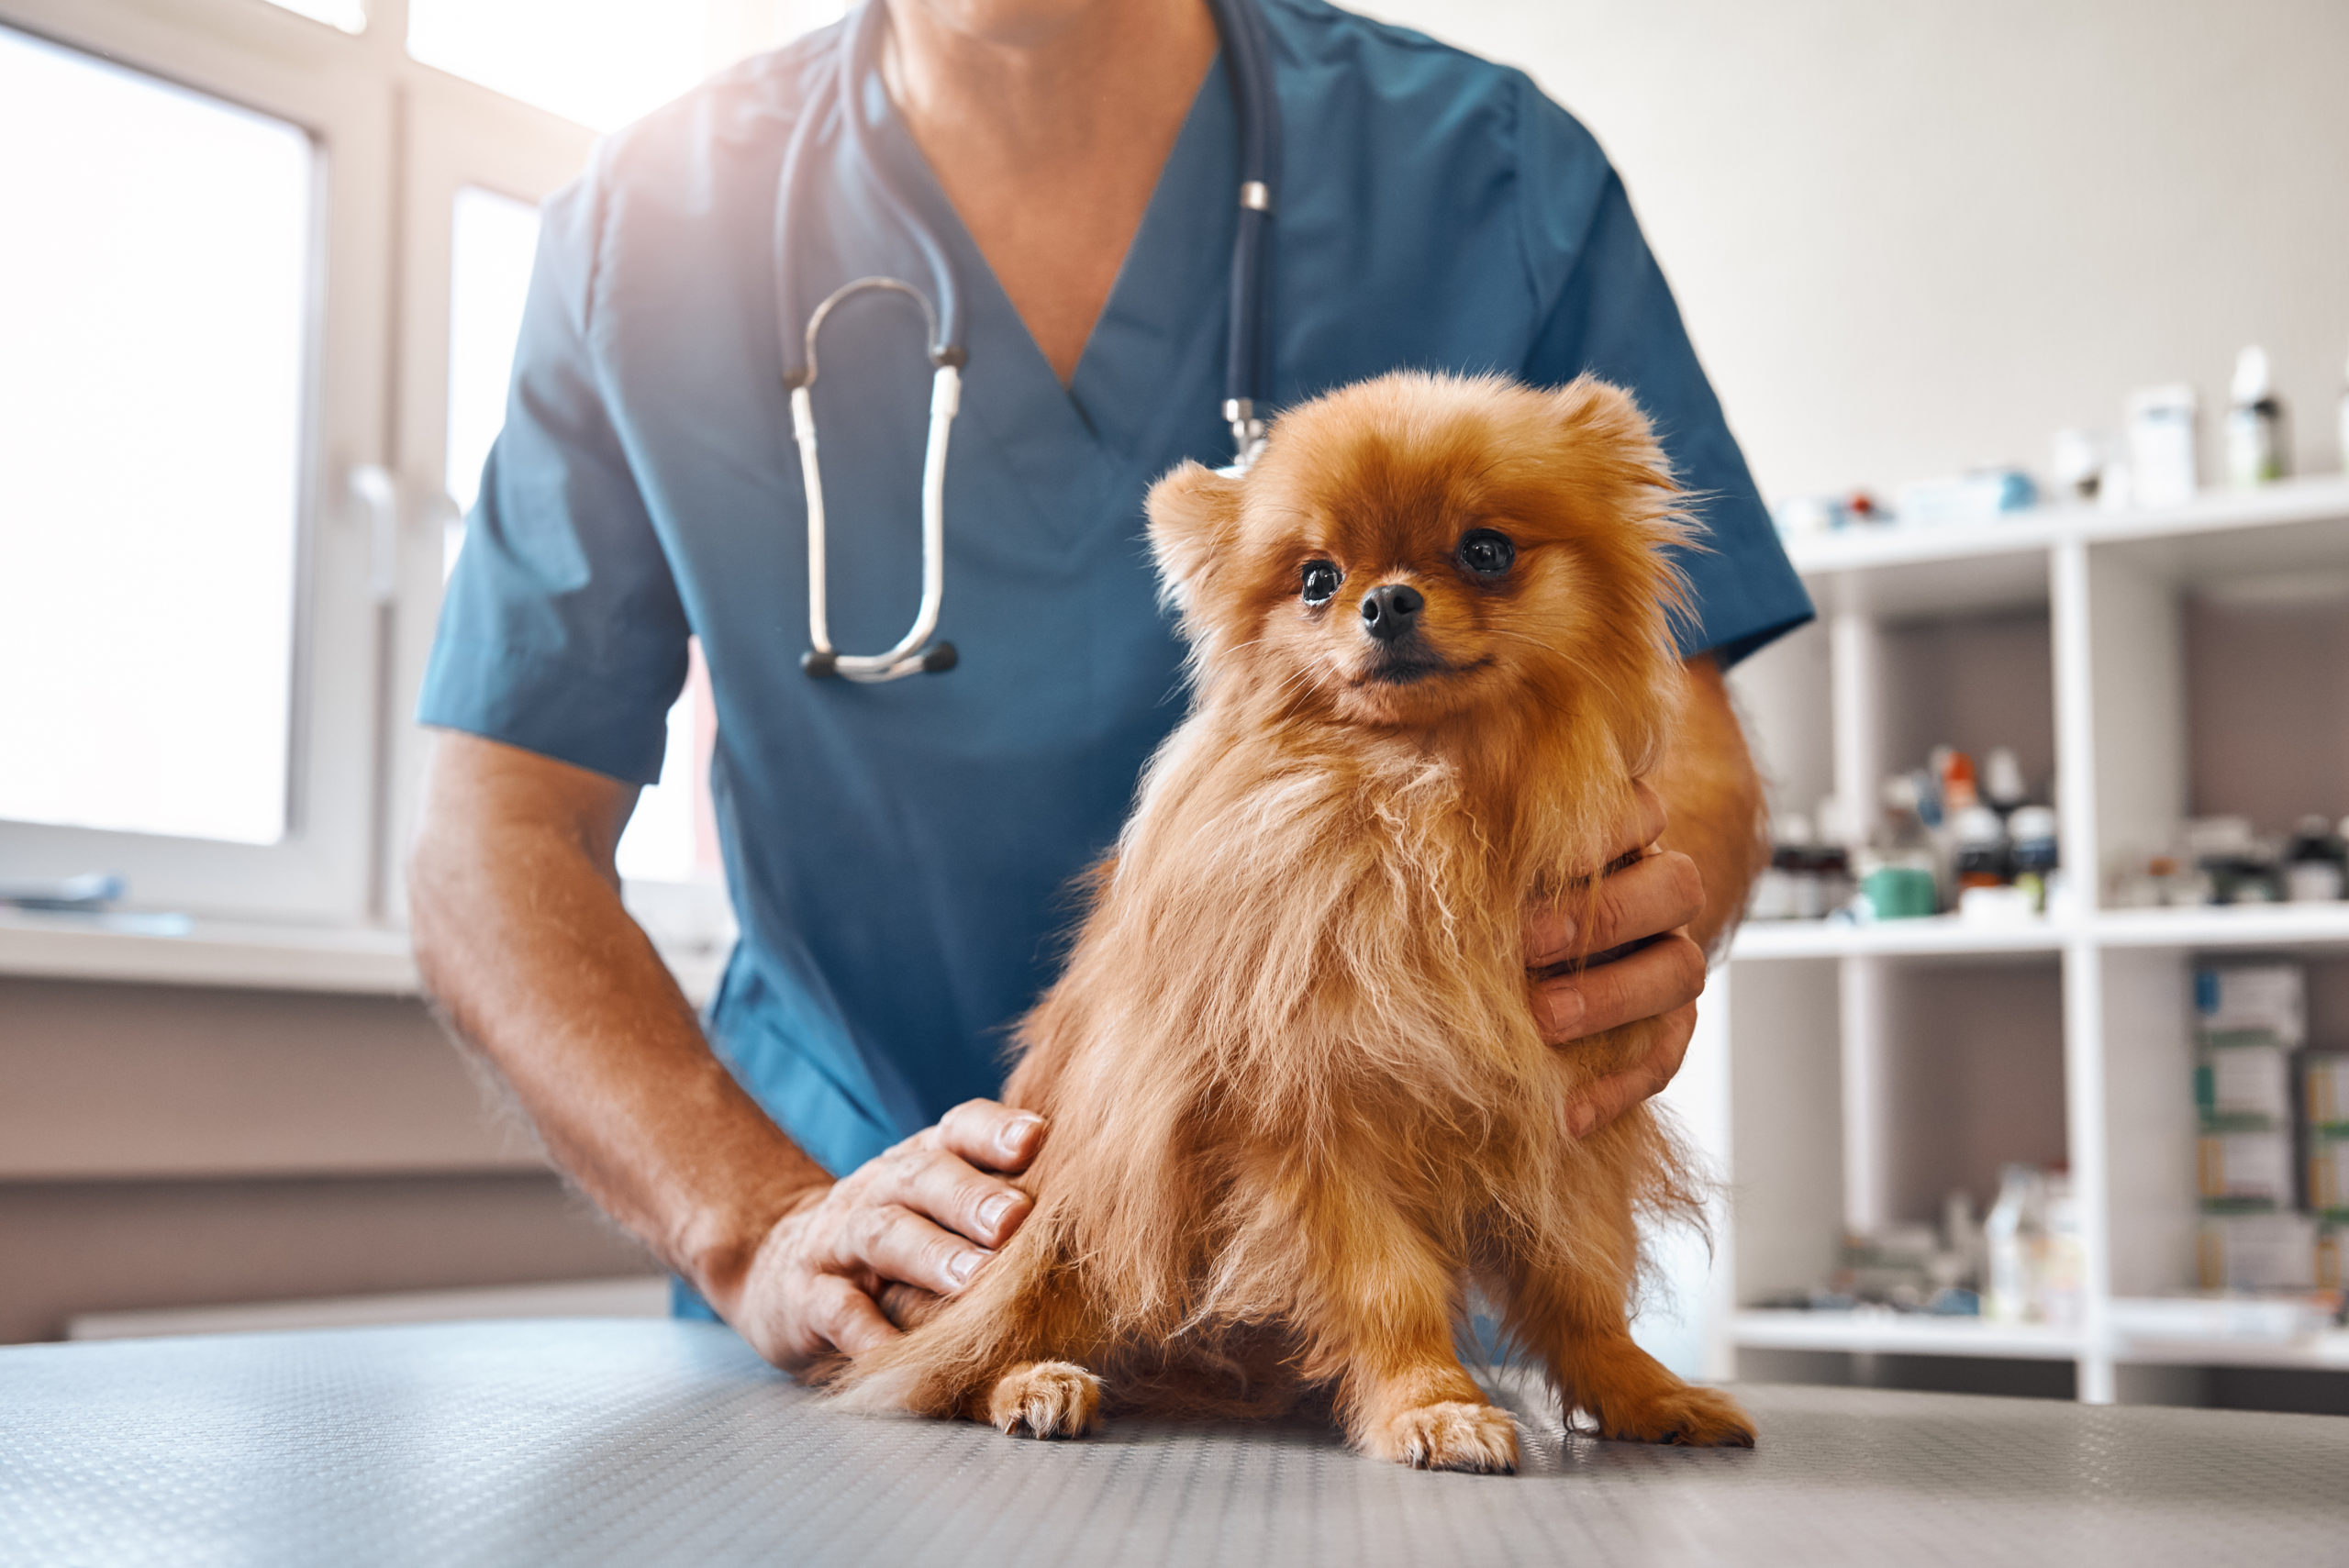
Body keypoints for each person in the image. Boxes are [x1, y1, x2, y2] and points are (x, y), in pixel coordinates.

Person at [408, 0, 1811, 1375]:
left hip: (1405, 1269)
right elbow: (493, 840)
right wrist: (759, 1221)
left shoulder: (1485, 170)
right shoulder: (647, 224)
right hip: (858, 1260)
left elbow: (1678, 729)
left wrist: (1617, 920)